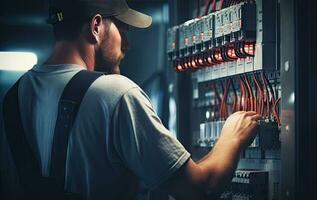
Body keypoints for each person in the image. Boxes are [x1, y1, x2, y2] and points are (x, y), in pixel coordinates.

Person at [0, 0, 261, 199]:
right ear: (96, 26)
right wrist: (232, 137)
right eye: (123, 30)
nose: (127, 44)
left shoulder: (14, 96)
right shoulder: (115, 93)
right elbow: (200, 189)